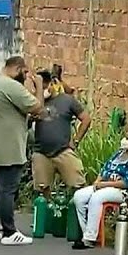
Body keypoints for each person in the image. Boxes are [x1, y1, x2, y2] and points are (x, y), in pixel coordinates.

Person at [0, 56, 44, 245]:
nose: (25, 76)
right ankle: (9, 232)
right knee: (7, 190)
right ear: (18, 69)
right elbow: (37, 107)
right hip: (8, 148)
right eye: (25, 73)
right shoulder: (10, 86)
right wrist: (38, 85)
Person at [71, 128, 128, 250]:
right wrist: (98, 181)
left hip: (122, 192)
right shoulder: (119, 154)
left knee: (97, 197)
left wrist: (105, 185)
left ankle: (89, 238)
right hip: (104, 185)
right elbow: (104, 169)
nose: (126, 141)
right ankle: (86, 231)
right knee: (79, 196)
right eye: (126, 138)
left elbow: (127, 183)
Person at [32, 69, 91, 198]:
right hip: (41, 153)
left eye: (45, 87)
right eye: (39, 88)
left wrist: (76, 140)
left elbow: (86, 119)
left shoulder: (67, 101)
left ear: (53, 83)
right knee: (42, 192)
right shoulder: (35, 103)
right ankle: (48, 216)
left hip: (63, 150)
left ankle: (76, 215)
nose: (43, 91)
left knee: (79, 187)